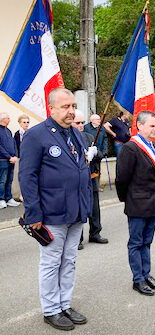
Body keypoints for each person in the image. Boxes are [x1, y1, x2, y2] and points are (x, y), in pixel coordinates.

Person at [19, 88, 92, 331]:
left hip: (76, 211)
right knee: (51, 262)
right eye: (65, 107)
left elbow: (80, 168)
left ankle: (64, 303)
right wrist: (33, 213)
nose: (71, 111)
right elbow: (27, 177)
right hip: (51, 213)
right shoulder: (36, 135)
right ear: (52, 108)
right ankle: (51, 310)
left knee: (69, 260)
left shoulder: (77, 134)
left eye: (73, 106)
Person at [116, 111, 155, 296]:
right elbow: (122, 179)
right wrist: (127, 200)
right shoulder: (130, 148)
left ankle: (146, 274)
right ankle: (138, 279)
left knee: (147, 242)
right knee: (136, 243)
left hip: (153, 203)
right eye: (152, 125)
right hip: (137, 204)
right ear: (140, 125)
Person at [72, 111, 108, 249]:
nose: (81, 125)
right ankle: (78, 238)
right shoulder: (69, 138)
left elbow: (98, 155)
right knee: (79, 208)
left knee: (95, 207)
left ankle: (95, 233)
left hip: (91, 176)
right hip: (78, 179)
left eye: (82, 123)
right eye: (78, 123)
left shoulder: (88, 136)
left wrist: (95, 153)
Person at [0, 112, 20, 209]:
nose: (9, 120)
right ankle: (1, 199)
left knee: (10, 180)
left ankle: (9, 198)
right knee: (2, 181)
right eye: (8, 118)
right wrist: (8, 157)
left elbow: (13, 144)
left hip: (11, 160)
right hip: (3, 160)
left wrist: (15, 155)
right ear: (2, 119)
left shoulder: (8, 131)